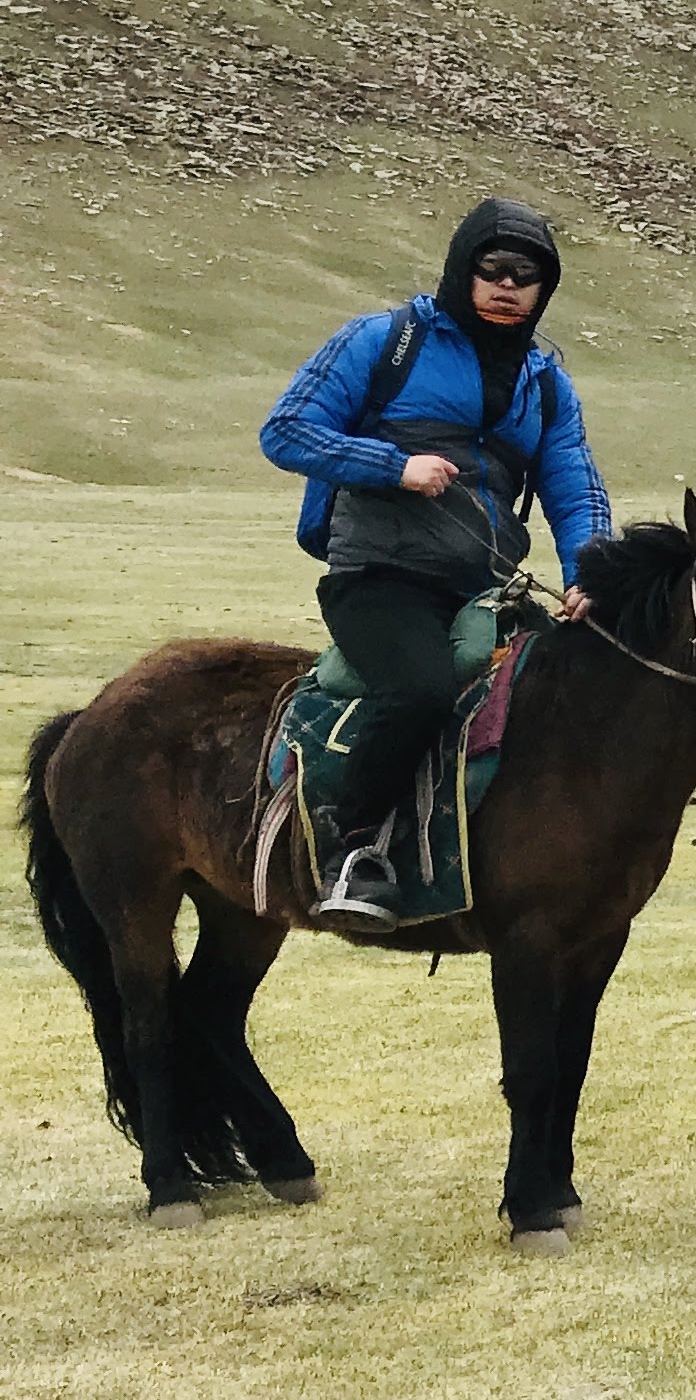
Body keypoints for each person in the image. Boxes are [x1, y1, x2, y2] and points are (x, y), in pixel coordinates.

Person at [260, 197, 613, 925]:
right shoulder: (384, 342)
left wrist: (588, 576)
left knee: (576, 696)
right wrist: (392, 466)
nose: (508, 285)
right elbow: (286, 431)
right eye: (493, 268)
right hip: (379, 578)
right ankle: (354, 856)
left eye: (528, 275)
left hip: (482, 589)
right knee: (420, 690)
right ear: (463, 270)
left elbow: (574, 487)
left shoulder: (545, 383)